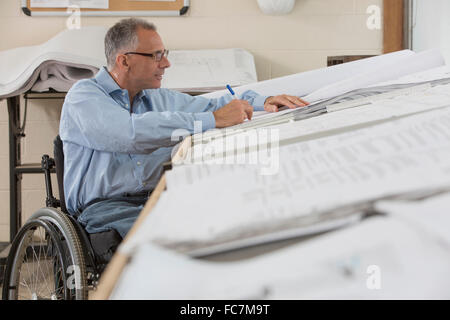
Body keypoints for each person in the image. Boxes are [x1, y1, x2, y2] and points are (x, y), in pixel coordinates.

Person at [59, 18, 308, 244]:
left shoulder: (158, 98)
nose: (166, 63)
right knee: (169, 241)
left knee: (225, 221)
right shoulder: (84, 96)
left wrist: (262, 101)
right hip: (104, 208)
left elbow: (215, 103)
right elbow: (129, 134)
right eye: (156, 56)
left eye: (164, 54)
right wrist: (212, 119)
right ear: (124, 61)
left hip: (158, 197)